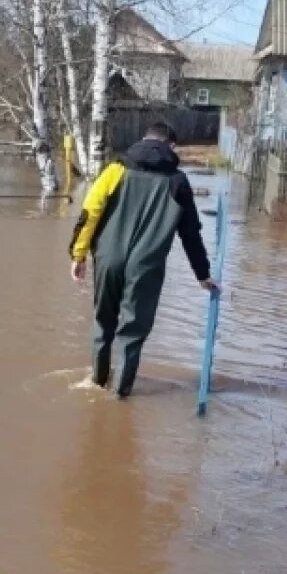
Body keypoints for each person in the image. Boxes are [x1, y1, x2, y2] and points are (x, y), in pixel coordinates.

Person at [68, 122, 217, 398]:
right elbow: (191, 234)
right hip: (145, 268)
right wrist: (202, 274)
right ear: (171, 146)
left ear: (144, 139)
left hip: (108, 260)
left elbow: (90, 212)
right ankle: (120, 396)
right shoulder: (177, 182)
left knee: (104, 325)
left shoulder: (115, 170)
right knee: (132, 333)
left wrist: (78, 254)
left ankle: (97, 383)